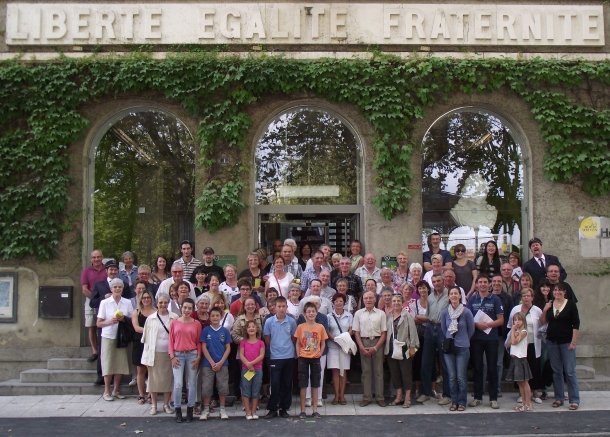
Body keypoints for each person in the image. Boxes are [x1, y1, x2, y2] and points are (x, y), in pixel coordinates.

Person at [467, 275, 504, 409]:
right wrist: (477, 325)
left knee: (492, 367)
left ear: (489, 285)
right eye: (480, 282)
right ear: (476, 285)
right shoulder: (472, 299)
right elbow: (469, 318)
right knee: (478, 368)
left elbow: (501, 320)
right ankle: (477, 397)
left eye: (485, 282)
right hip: (476, 339)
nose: (482, 284)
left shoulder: (495, 299)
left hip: (491, 339)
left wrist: (488, 325)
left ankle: (493, 398)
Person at [541, 283, 580, 410]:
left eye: (560, 290)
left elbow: (576, 324)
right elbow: (543, 321)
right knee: (556, 371)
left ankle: (574, 399)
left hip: (566, 342)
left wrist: (573, 342)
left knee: (569, 371)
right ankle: (559, 398)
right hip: (552, 342)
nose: (557, 292)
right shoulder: (550, 304)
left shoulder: (570, 304)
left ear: (565, 292)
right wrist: (545, 309)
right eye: (555, 290)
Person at [96, 278, 134, 402]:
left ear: (123, 289)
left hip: (121, 336)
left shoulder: (127, 302)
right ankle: (106, 391)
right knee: (107, 363)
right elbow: (98, 323)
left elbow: (131, 319)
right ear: (111, 289)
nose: (117, 289)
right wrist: (109, 321)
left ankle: (116, 390)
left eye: (120, 287)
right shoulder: (105, 303)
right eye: (115, 287)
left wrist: (123, 319)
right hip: (108, 336)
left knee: (119, 363)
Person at [140, 292, 177, 415]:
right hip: (154, 353)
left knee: (168, 380)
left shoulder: (174, 317)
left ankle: (166, 405)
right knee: (153, 380)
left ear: (168, 303)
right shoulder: (150, 318)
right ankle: (154, 405)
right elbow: (145, 339)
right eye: (160, 302)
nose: (163, 304)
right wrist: (145, 357)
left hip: (169, 354)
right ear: (157, 303)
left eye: (165, 302)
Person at [417, 274, 450, 405]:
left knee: (445, 363)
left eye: (438, 281)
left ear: (443, 281)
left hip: (444, 329)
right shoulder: (430, 297)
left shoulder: (450, 295)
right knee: (426, 362)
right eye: (434, 281)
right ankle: (426, 392)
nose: (436, 283)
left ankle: (447, 394)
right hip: (430, 329)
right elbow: (428, 316)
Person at [440, 286, 475, 412]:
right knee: (451, 376)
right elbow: (444, 329)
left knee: (461, 376)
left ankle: (462, 401)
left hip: (462, 347)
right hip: (449, 347)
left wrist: (463, 339)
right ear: (448, 296)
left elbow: (471, 330)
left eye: (456, 293)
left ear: (460, 296)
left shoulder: (466, 312)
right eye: (451, 294)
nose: (454, 296)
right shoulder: (445, 312)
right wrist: (451, 338)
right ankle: (454, 401)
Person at [507, 288, 543, 404]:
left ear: (532, 297)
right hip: (519, 345)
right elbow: (510, 324)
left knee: (533, 367)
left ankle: (533, 392)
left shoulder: (537, 310)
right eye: (524, 296)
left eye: (528, 296)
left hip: (532, 343)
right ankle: (521, 394)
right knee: (519, 369)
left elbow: (542, 325)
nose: (526, 298)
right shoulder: (515, 309)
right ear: (521, 298)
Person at [263, 296, 298, 418]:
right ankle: (273, 408)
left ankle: (284, 408)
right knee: (275, 383)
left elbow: (294, 338)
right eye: (279, 306)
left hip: (288, 356)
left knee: (287, 383)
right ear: (274, 307)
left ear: (287, 307)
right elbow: (267, 339)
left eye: (284, 306)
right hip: (275, 357)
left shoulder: (292, 321)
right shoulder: (269, 322)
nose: (281, 309)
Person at [168, 298, 201, 423]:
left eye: (189, 308)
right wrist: (172, 356)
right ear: (181, 308)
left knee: (191, 383)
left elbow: (198, 342)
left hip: (192, 354)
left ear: (193, 310)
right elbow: (170, 341)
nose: (187, 310)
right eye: (185, 307)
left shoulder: (196, 324)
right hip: (178, 355)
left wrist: (198, 356)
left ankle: (190, 409)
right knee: (178, 384)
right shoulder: (174, 323)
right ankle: (177, 409)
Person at [352, 290, 387, 407]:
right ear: (363, 300)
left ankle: (380, 397)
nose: (368, 300)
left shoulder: (381, 313)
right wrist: (361, 347)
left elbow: (384, 333)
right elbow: (356, 332)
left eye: (370, 298)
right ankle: (366, 397)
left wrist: (376, 347)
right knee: (366, 372)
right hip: (364, 341)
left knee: (378, 371)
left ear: (375, 299)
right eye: (366, 298)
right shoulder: (358, 314)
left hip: (378, 342)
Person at [295, 302, 328, 419]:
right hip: (303, 358)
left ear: (316, 313)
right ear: (305, 314)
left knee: (315, 384)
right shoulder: (300, 327)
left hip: (315, 358)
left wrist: (320, 352)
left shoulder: (320, 327)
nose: (311, 313)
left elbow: (323, 342)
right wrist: (298, 355)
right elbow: (298, 343)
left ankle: (314, 410)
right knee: (303, 384)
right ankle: (303, 410)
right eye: (308, 311)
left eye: (313, 311)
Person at [385, 293, 419, 408]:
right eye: (394, 301)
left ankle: (408, 398)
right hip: (391, 349)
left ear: (402, 302)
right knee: (395, 373)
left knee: (406, 373)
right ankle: (399, 396)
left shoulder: (407, 316)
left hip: (404, 349)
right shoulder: (388, 316)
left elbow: (413, 333)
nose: (396, 303)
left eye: (398, 301)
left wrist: (412, 348)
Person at [200, 307, 232, 421]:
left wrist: (220, 362)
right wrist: (212, 362)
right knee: (207, 387)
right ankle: (206, 409)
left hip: (222, 364)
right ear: (209, 317)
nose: (215, 318)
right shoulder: (206, 330)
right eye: (212, 315)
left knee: (222, 387)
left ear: (221, 317)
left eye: (217, 315)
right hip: (208, 364)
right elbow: (203, 347)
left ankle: (222, 409)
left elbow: (228, 348)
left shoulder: (225, 331)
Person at [81, 249, 107, 363]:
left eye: (98, 257)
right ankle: (95, 351)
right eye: (94, 257)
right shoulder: (87, 271)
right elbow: (84, 289)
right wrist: (95, 299)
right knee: (92, 325)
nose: (96, 259)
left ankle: (103, 349)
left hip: (106, 301)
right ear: (91, 259)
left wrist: (103, 300)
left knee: (105, 325)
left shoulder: (106, 270)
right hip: (91, 300)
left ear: (102, 257)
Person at [327, 293, 353, 405]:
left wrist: (344, 340)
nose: (339, 303)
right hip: (333, 346)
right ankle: (336, 395)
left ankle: (342, 396)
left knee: (343, 371)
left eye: (341, 301)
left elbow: (352, 329)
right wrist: (335, 340)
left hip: (345, 347)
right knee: (335, 371)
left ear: (344, 303)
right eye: (336, 301)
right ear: (333, 303)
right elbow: (327, 331)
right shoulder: (329, 316)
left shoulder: (349, 315)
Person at [131, 286, 155, 404]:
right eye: (144, 298)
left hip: (152, 344)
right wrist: (150, 329)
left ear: (151, 299)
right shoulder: (136, 312)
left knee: (151, 371)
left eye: (148, 297)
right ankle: (141, 395)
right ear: (140, 299)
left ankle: (150, 394)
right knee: (140, 371)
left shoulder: (156, 311)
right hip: (139, 343)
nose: (146, 299)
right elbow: (136, 328)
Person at [506, 312, 533, 412]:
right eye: (515, 320)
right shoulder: (516, 331)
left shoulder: (524, 331)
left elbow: (514, 342)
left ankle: (528, 404)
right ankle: (523, 403)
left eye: (519, 320)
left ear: (523, 321)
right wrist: (513, 332)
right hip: (515, 358)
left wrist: (513, 330)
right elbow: (509, 343)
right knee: (520, 383)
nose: (517, 322)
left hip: (520, 359)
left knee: (525, 382)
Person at [240, 320, 265, 420]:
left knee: (256, 391)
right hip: (246, 369)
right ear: (246, 330)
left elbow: (262, 355)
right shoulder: (243, 342)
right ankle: (248, 412)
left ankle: (254, 411)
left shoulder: (261, 342)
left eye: (253, 326)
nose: (251, 328)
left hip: (257, 369)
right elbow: (241, 354)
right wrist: (247, 363)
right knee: (246, 390)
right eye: (249, 327)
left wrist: (252, 363)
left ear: (257, 329)